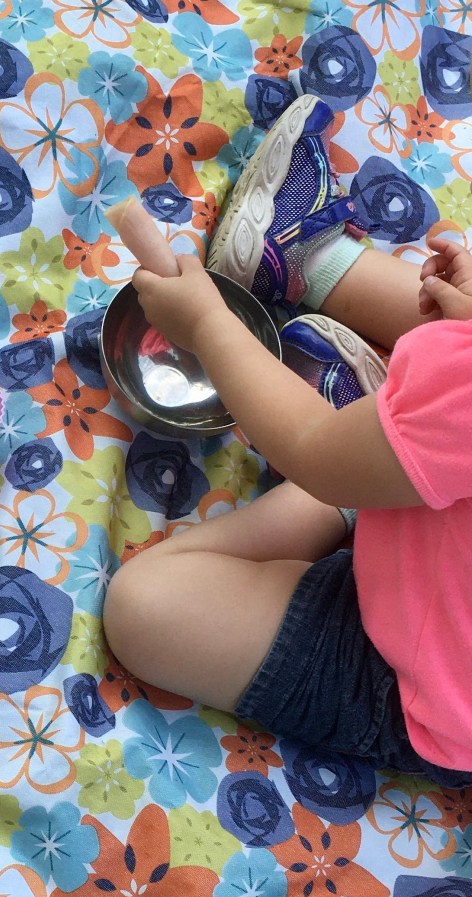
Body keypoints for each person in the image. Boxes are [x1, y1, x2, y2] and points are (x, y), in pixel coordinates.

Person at [102, 94, 472, 786]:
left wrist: (209, 326)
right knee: (444, 338)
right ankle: (312, 264)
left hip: (416, 682)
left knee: (145, 607)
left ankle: (375, 443)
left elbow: (309, 449)